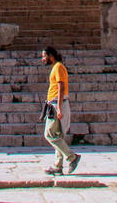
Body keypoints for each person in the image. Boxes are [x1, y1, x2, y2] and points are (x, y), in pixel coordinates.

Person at [42, 46, 81, 175]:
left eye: (44, 56)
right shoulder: (56, 67)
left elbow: (61, 87)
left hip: (57, 105)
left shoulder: (58, 67)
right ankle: (57, 166)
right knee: (58, 136)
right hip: (54, 104)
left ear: (50, 56)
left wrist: (58, 108)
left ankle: (72, 157)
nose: (43, 59)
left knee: (49, 134)